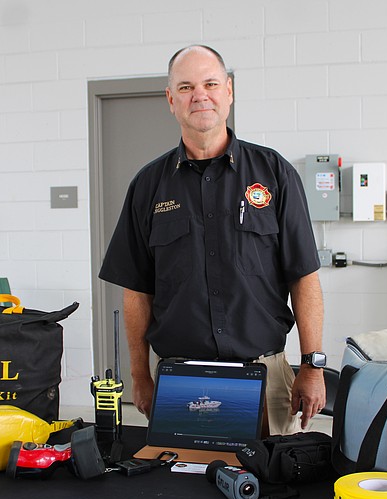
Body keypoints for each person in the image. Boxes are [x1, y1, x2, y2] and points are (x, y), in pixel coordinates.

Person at [99, 44, 325, 435]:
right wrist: (139, 374)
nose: (199, 95)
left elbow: (303, 277)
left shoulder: (274, 174)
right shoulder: (148, 185)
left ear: (229, 91)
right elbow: (136, 291)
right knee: (182, 489)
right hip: (179, 380)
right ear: (171, 100)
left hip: (266, 375)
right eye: (185, 87)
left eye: (210, 83)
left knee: (269, 488)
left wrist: (312, 365)